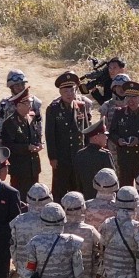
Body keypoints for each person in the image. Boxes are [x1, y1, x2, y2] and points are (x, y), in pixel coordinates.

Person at [45, 71, 91, 201]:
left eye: (72, 91)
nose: (69, 94)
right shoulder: (53, 109)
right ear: (60, 92)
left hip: (78, 155)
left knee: (77, 188)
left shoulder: (81, 107)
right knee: (60, 189)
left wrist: (87, 152)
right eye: (66, 92)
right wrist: (53, 157)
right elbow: (50, 135)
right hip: (61, 157)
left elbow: (86, 131)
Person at [108, 82, 139, 187]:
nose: (131, 100)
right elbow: (112, 133)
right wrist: (118, 140)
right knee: (125, 188)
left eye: (134, 97)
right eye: (128, 97)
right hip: (124, 157)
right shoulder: (119, 113)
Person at [2, 88, 43, 199]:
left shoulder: (31, 118)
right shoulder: (10, 123)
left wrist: (39, 145)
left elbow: (35, 136)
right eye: (27, 103)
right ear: (18, 105)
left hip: (33, 167)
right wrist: (27, 148)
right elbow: (8, 146)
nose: (30, 105)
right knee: (20, 198)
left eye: (30, 102)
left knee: (34, 197)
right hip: (19, 168)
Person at [0, 70, 43, 142]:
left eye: (22, 84)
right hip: (11, 142)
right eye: (17, 85)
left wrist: (39, 140)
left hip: (30, 142)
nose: (20, 87)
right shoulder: (4, 104)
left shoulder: (34, 102)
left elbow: (39, 123)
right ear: (11, 87)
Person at [73, 120, 114, 200]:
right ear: (96, 137)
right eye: (104, 135)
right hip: (103, 200)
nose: (106, 137)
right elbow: (112, 181)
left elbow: (77, 181)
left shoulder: (80, 154)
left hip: (84, 199)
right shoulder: (105, 155)